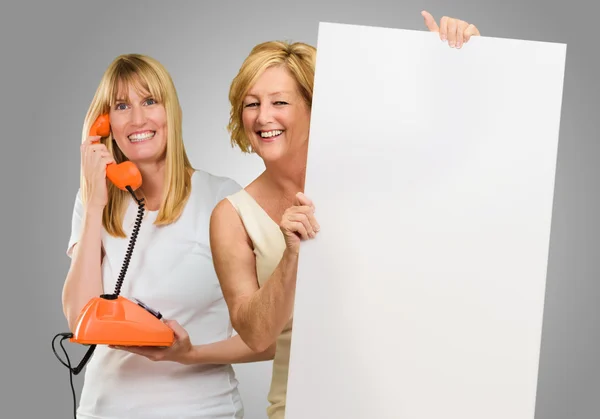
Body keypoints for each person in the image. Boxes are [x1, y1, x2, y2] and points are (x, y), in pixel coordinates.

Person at [209, 11, 481, 419]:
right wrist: (291, 258)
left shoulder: (368, 177)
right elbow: (255, 334)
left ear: (313, 107)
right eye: (251, 104)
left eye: (279, 102)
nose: (263, 117)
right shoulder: (231, 216)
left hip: (405, 400)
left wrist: (459, 61)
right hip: (302, 408)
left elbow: (453, 164)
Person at [61, 53, 275, 419]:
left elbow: (271, 337)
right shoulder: (95, 201)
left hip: (202, 410)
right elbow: (81, 320)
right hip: (105, 410)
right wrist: (95, 204)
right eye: (121, 105)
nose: (138, 118)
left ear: (169, 112)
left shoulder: (223, 198)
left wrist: (191, 354)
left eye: (149, 101)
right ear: (105, 122)